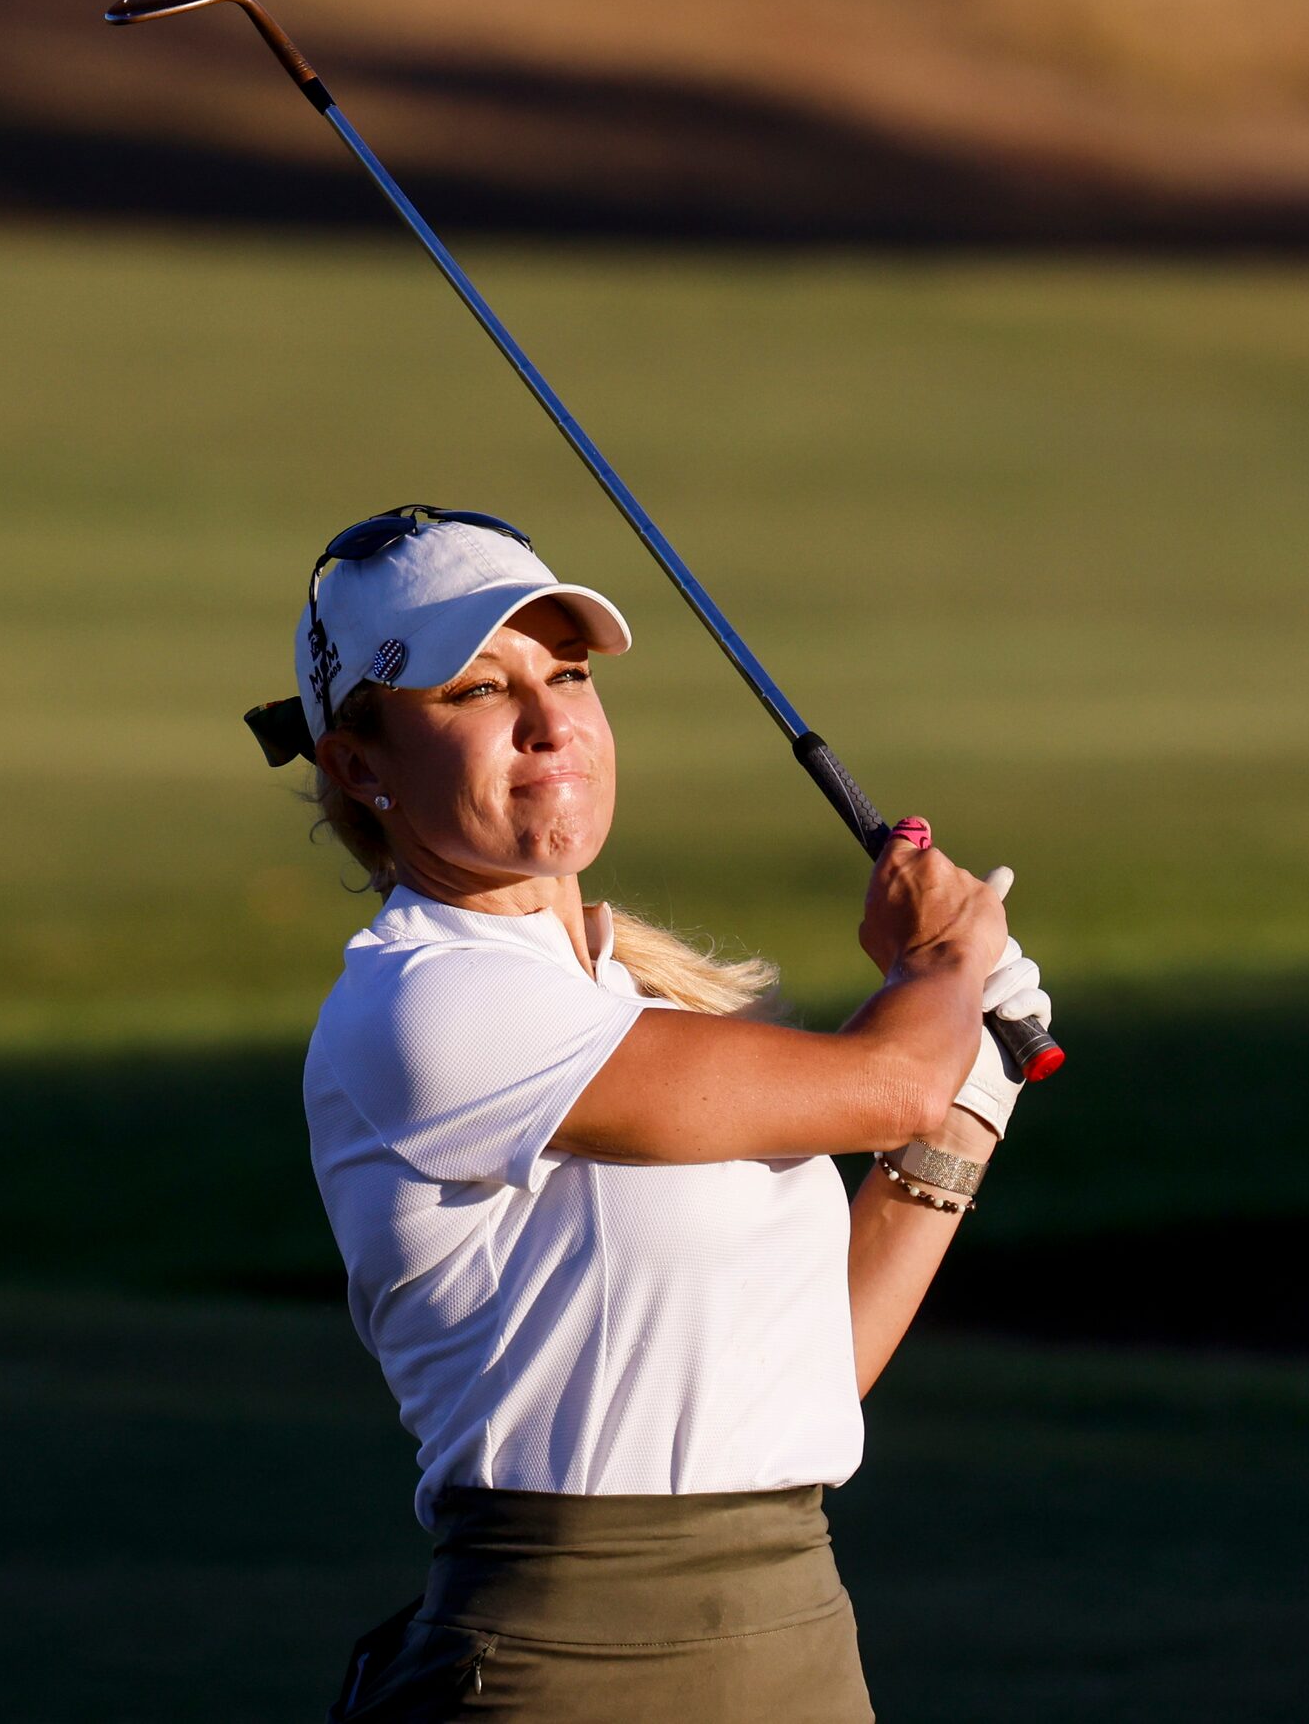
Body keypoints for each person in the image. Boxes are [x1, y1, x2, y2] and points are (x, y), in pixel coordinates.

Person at [244, 504, 1052, 1722]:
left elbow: (800, 1376)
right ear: (359, 766)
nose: (548, 718)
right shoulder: (423, 1007)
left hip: (797, 1637)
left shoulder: (632, 1005)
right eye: (473, 690)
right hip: (563, 1666)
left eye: (565, 672)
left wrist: (968, 1098)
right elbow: (882, 1084)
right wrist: (942, 972)